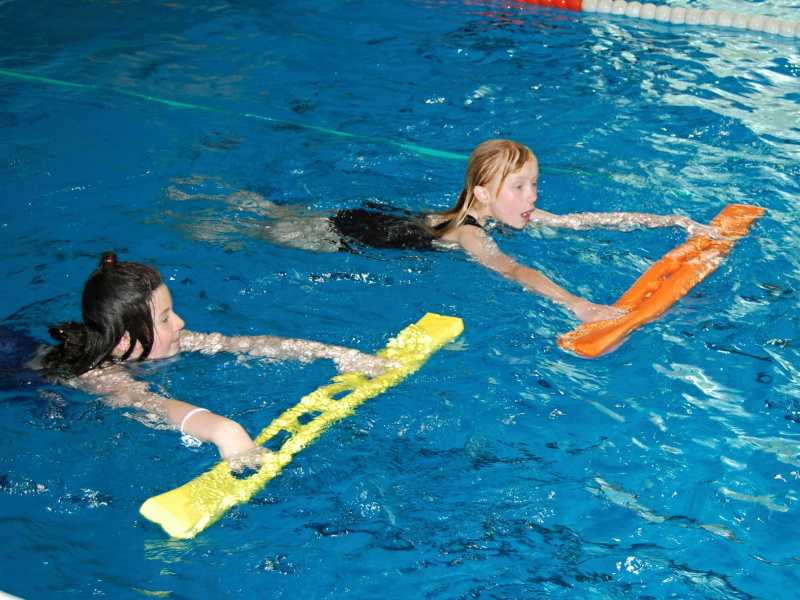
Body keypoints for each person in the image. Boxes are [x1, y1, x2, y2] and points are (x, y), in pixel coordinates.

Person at [244, 139, 723, 323]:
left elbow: (583, 221)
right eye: (519, 187)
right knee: (250, 230)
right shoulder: (472, 234)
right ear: (483, 195)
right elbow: (509, 270)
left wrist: (673, 221)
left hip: (391, 217)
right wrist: (576, 303)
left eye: (534, 184)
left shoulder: (506, 211)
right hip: (348, 233)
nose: (532, 196)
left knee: (264, 214)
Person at [40, 252, 393, 471]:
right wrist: (224, 430)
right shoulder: (100, 375)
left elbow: (243, 344)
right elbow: (150, 404)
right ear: (123, 341)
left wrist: (335, 353)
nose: (180, 323)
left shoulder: (158, 342)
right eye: (165, 319)